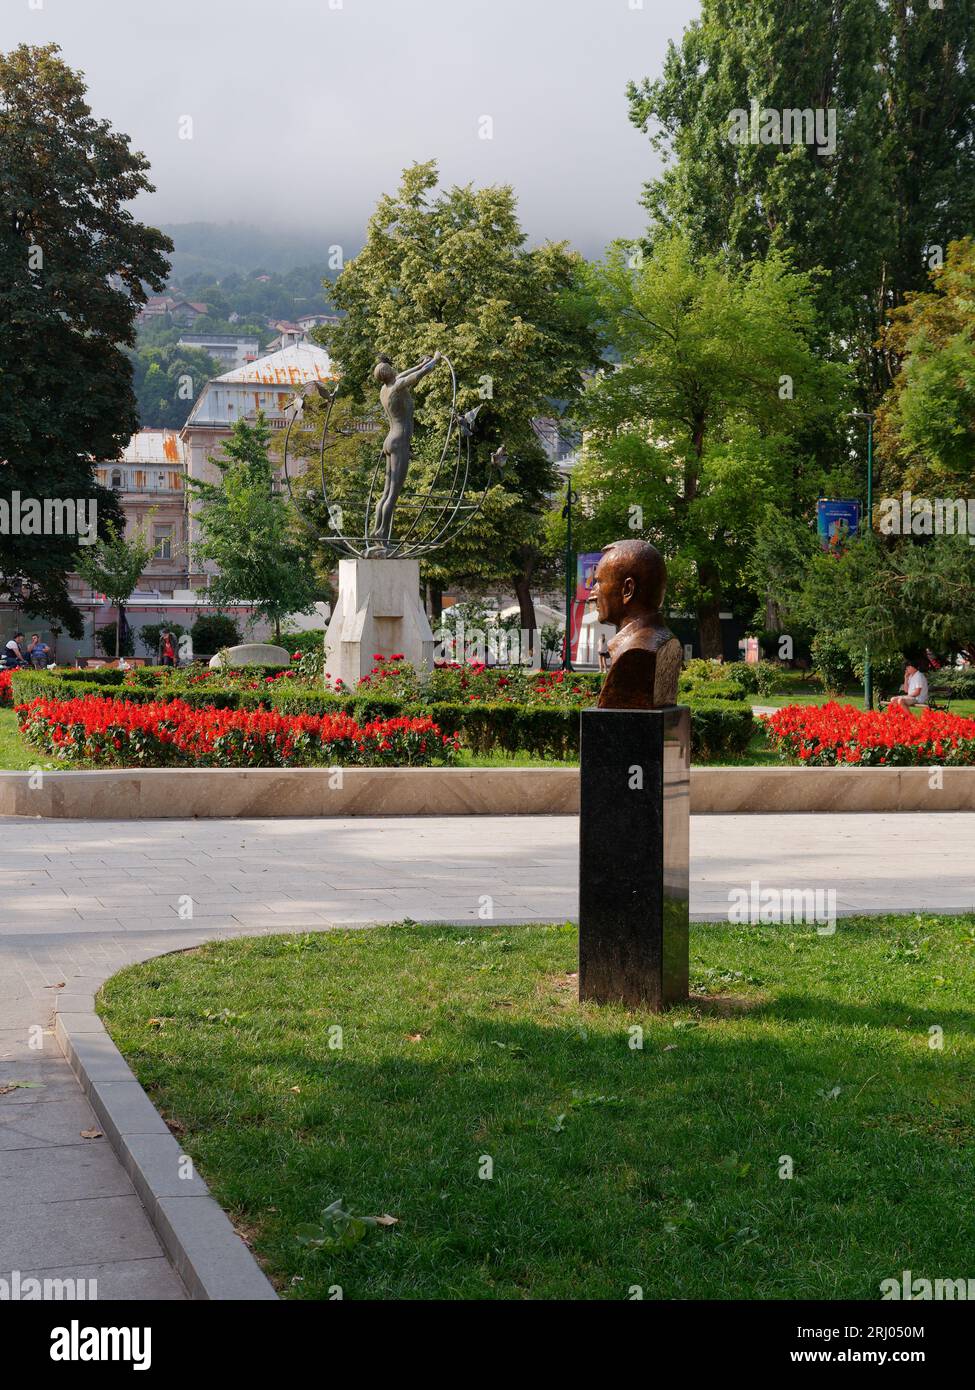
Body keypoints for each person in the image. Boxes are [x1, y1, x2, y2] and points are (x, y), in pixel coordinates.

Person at [372, 350, 442, 547]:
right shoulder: (397, 386)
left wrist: (422, 363)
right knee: (393, 493)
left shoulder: (385, 389)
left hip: (390, 440)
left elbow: (407, 373)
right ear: (390, 371)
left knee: (385, 493)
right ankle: (382, 536)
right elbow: (417, 376)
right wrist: (434, 361)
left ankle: (378, 533)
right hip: (400, 440)